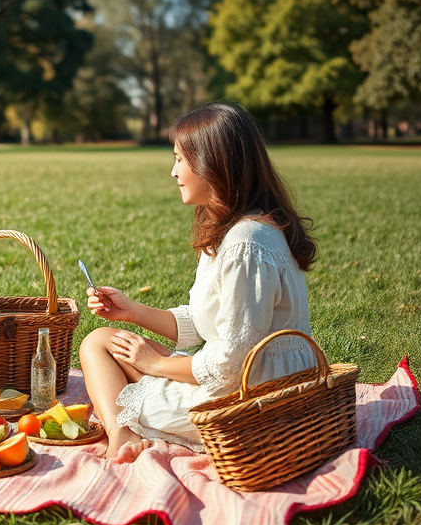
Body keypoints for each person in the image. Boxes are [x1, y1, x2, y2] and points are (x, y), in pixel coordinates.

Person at [79, 102, 318, 462]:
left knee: (101, 354)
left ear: (214, 163)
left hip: (255, 399)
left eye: (179, 159)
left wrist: (154, 365)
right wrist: (133, 311)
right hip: (244, 377)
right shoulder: (233, 229)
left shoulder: (246, 244)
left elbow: (229, 365)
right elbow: (204, 320)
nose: (173, 171)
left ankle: (120, 432)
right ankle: (124, 430)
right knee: (100, 340)